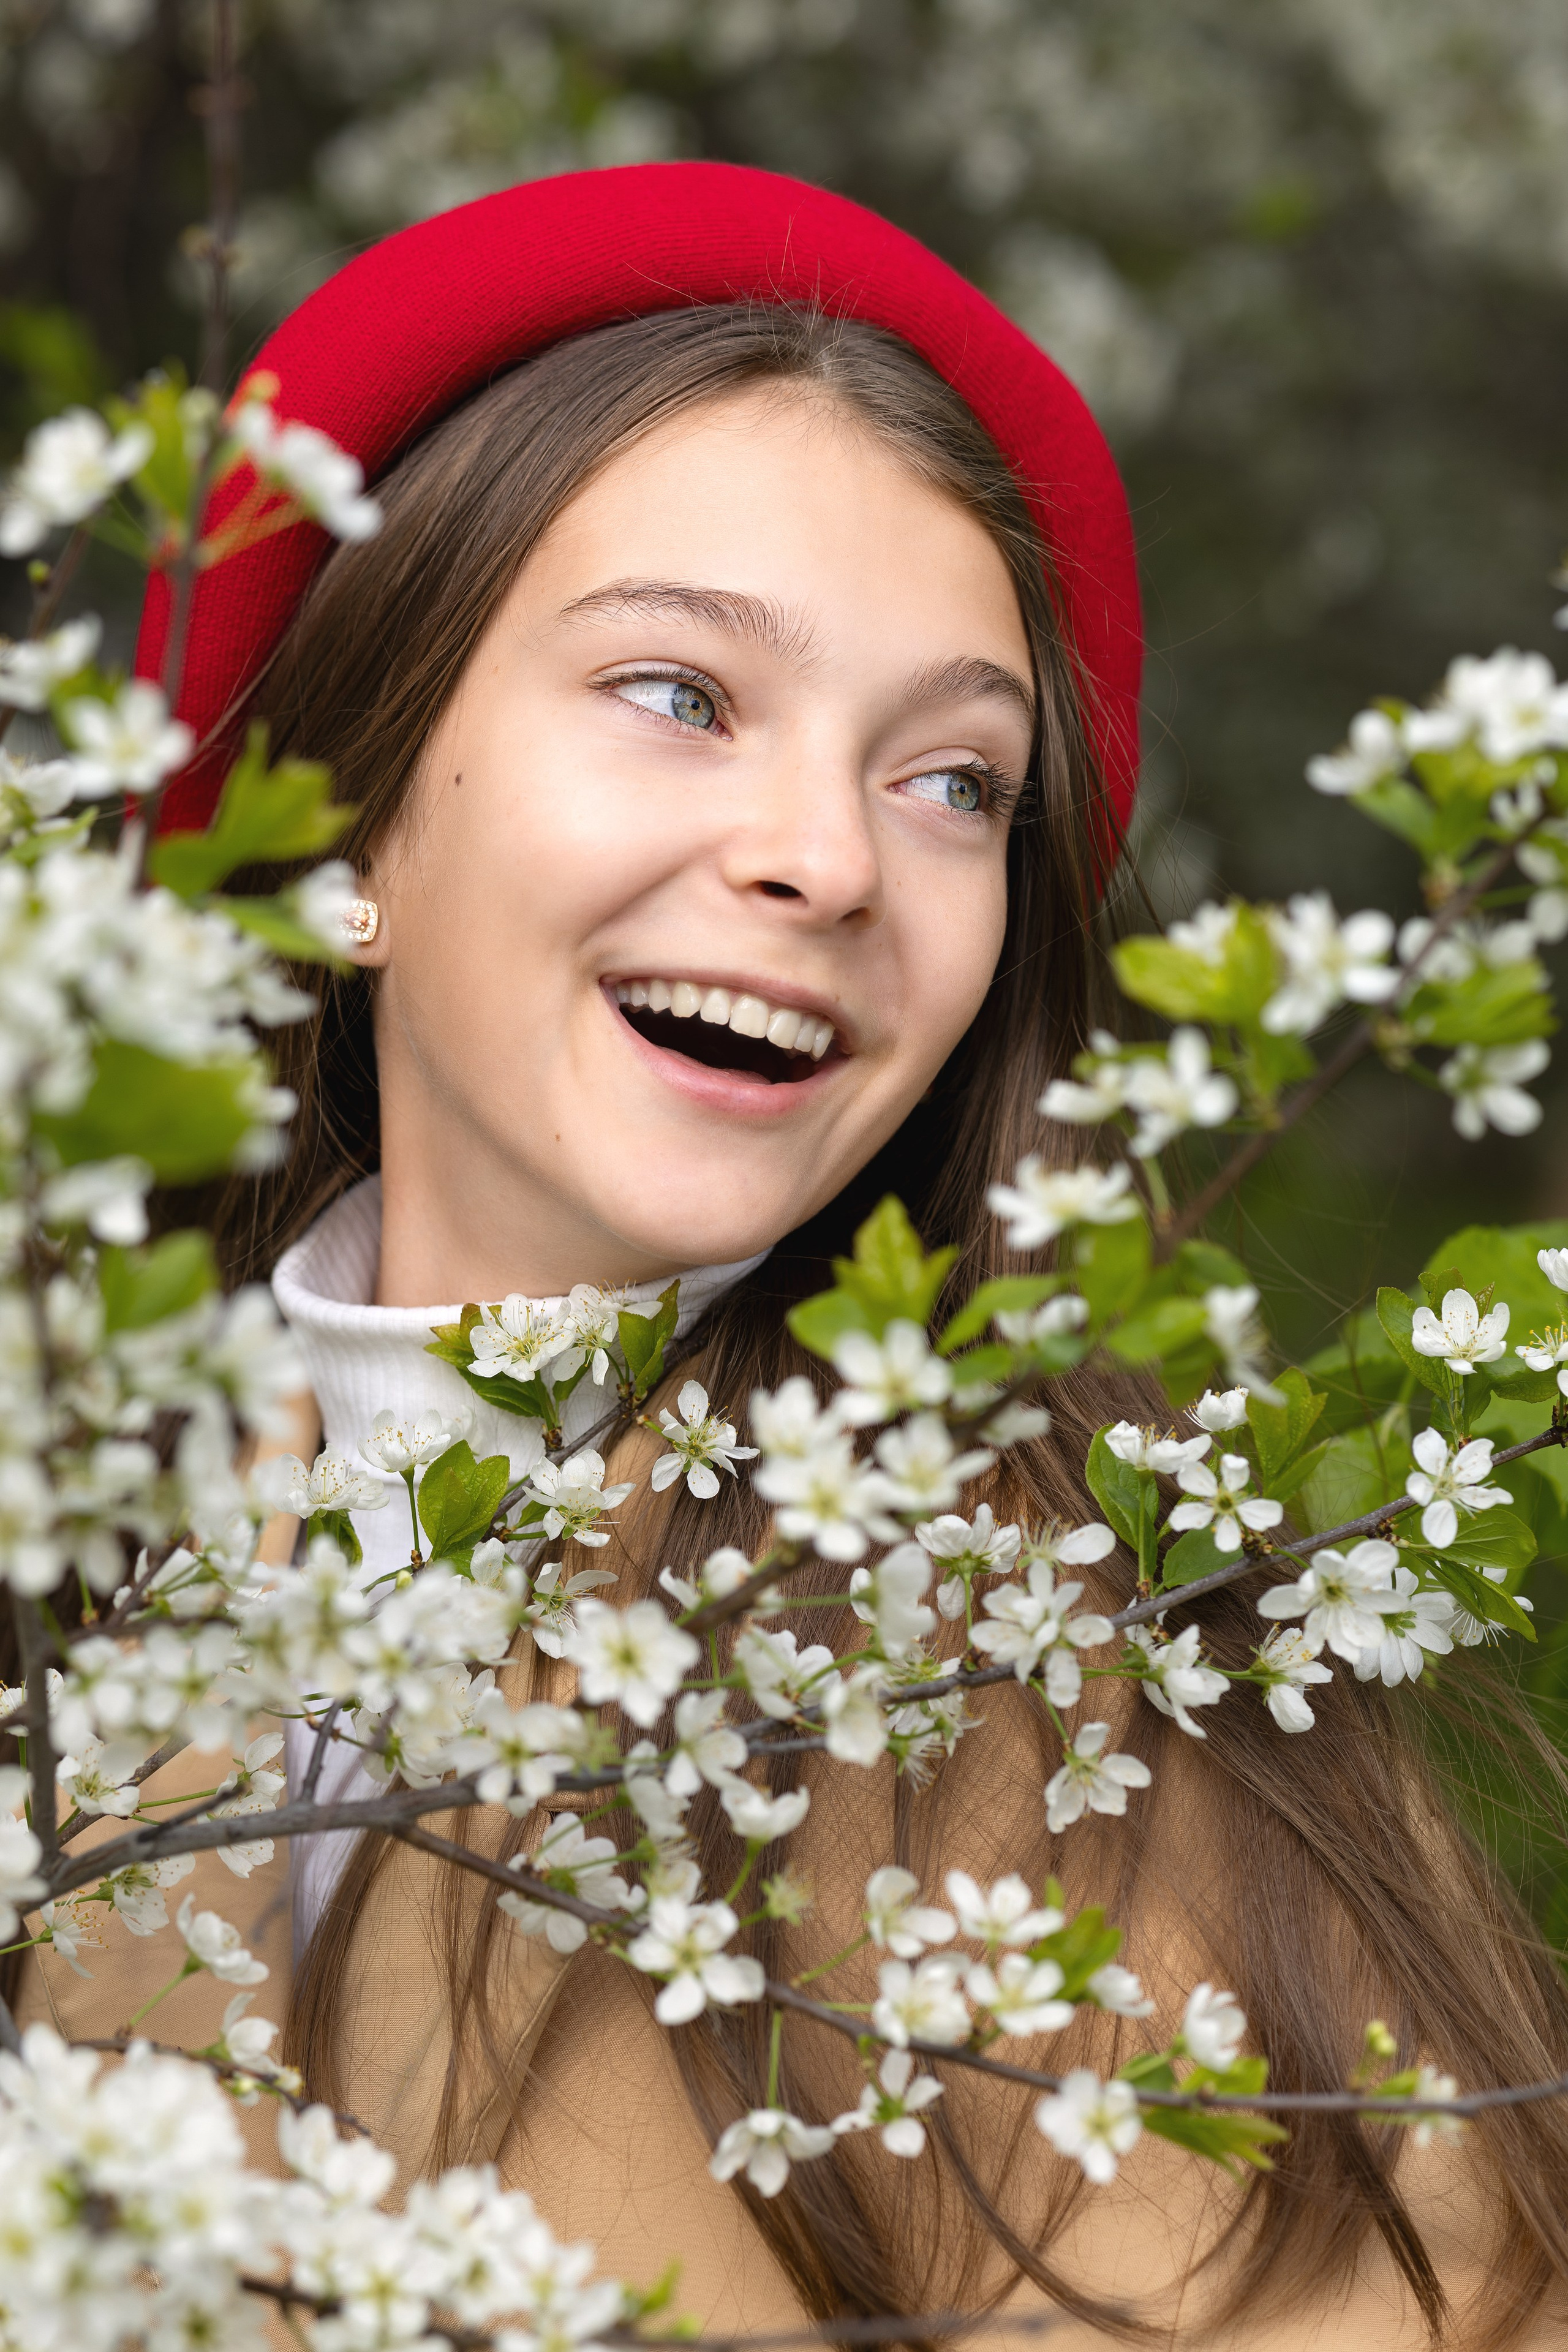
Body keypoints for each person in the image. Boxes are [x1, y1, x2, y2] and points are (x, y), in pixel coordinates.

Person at [28, 165, 1568, 2349]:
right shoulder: (101, 1553)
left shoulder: (1048, 1665)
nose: (831, 857)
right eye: (679, 692)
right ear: (346, 819)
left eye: (954, 781)